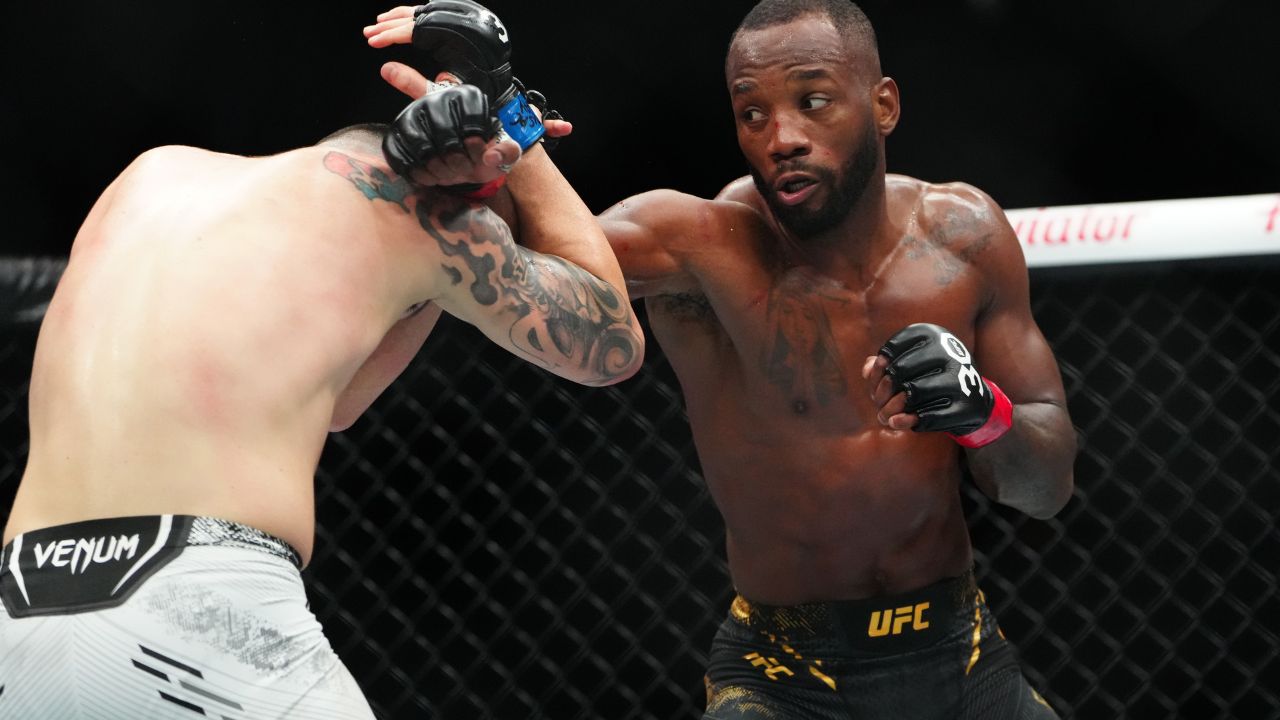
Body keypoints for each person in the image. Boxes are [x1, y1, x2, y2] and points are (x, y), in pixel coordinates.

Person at [368, 0, 1076, 717]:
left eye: (814, 101)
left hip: (964, 654)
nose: (783, 138)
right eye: (753, 114)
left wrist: (985, 414)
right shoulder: (698, 247)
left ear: (883, 104)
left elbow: (1045, 489)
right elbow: (516, 255)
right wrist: (489, 152)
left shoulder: (964, 239)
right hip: (786, 676)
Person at [0, 81, 643, 717]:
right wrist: (520, 140)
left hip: (23, 612)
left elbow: (343, 404)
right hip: (201, 603)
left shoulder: (150, 176)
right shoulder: (422, 215)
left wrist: (425, 291)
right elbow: (611, 342)